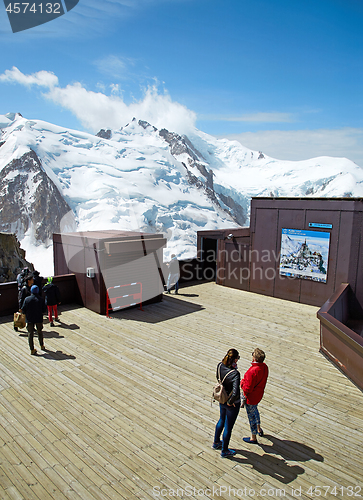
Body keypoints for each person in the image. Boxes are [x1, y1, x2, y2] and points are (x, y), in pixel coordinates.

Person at [212, 348, 241, 458]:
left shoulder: (219, 365)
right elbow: (235, 392)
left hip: (221, 397)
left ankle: (216, 442)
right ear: (234, 360)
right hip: (231, 403)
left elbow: (218, 378)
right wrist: (231, 402)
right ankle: (224, 450)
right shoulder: (235, 374)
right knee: (228, 427)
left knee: (221, 419)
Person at [240, 348, 269, 444]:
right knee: (255, 410)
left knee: (251, 416)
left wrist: (242, 383)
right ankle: (259, 428)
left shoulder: (252, 371)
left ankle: (253, 437)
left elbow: (247, 388)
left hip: (251, 398)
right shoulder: (265, 367)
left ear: (254, 358)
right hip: (258, 395)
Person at [20, 285, 46, 355]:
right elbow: (44, 310)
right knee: (39, 332)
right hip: (38, 318)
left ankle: (32, 349)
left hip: (29, 318)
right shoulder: (41, 299)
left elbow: (23, 310)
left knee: (30, 334)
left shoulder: (27, 299)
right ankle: (42, 345)